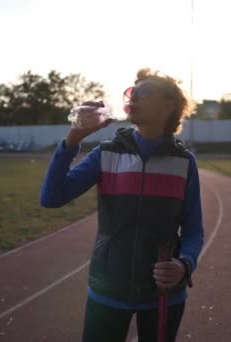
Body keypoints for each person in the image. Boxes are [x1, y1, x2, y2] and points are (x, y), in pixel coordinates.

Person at [39, 68, 204, 342]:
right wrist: (73, 139)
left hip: (163, 294)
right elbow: (51, 198)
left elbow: (193, 229)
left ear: (168, 105)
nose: (133, 96)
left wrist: (183, 266)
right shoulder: (106, 153)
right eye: (132, 92)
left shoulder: (184, 162)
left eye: (144, 92)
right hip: (108, 287)